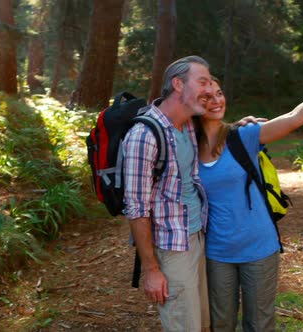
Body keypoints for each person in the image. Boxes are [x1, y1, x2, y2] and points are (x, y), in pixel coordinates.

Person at [196, 54, 303, 331]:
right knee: (220, 323)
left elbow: (295, 117)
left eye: (219, 94)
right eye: (207, 97)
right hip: (217, 251)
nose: (216, 101)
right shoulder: (186, 147)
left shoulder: (243, 135)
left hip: (259, 247)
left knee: (259, 324)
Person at [122, 55, 213, 331]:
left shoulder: (187, 124)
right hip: (173, 248)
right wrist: (151, 269)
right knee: (185, 326)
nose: (209, 90)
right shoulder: (144, 136)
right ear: (177, 84)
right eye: (202, 82)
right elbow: (137, 209)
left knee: (201, 322)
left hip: (197, 235)